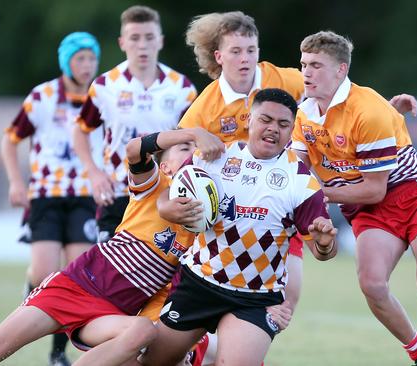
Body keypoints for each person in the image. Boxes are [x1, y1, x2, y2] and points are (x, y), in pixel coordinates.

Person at [160, 12, 417, 326]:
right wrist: (175, 163)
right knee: (205, 296)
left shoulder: (284, 79)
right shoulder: (205, 107)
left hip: (281, 200)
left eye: (252, 50)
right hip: (228, 215)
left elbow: (342, 97)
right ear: (219, 57)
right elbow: (180, 154)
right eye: (236, 51)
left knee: (283, 305)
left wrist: (388, 111)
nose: (246, 59)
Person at [0, 126, 228, 366]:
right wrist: (193, 132)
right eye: (183, 148)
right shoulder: (151, 187)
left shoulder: (200, 229)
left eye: (194, 150)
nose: (191, 153)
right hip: (72, 288)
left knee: (144, 334)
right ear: (165, 166)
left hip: (111, 314)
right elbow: (134, 149)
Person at [290, 30, 417, 366]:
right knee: (372, 284)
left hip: (414, 195)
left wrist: (315, 193)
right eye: (303, 64)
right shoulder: (305, 115)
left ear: (341, 70)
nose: (307, 73)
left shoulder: (367, 109)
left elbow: (375, 188)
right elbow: (294, 170)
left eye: (316, 65)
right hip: (368, 207)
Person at [140, 88, 339, 366]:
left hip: (255, 299)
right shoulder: (214, 157)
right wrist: (166, 208)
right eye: (265, 120)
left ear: (292, 129)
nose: (273, 129)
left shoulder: (302, 182)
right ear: (250, 120)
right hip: (198, 284)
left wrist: (324, 243)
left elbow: (322, 253)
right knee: (152, 362)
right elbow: (171, 193)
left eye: (283, 125)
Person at [0, 31, 103, 366]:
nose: (87, 65)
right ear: (66, 62)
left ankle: (58, 354)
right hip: (45, 196)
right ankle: (33, 284)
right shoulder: (42, 97)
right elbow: (10, 139)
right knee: (45, 272)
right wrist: (17, 182)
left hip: (85, 197)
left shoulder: (103, 96)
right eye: (80, 59)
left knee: (75, 277)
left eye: (92, 58)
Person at [73, 5, 197, 245]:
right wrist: (94, 172)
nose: (142, 45)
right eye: (135, 38)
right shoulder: (104, 86)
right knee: (109, 273)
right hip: (117, 193)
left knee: (160, 275)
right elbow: (80, 130)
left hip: (164, 194)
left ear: (160, 41)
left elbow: (191, 140)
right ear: (122, 42)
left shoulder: (182, 89)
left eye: (149, 37)